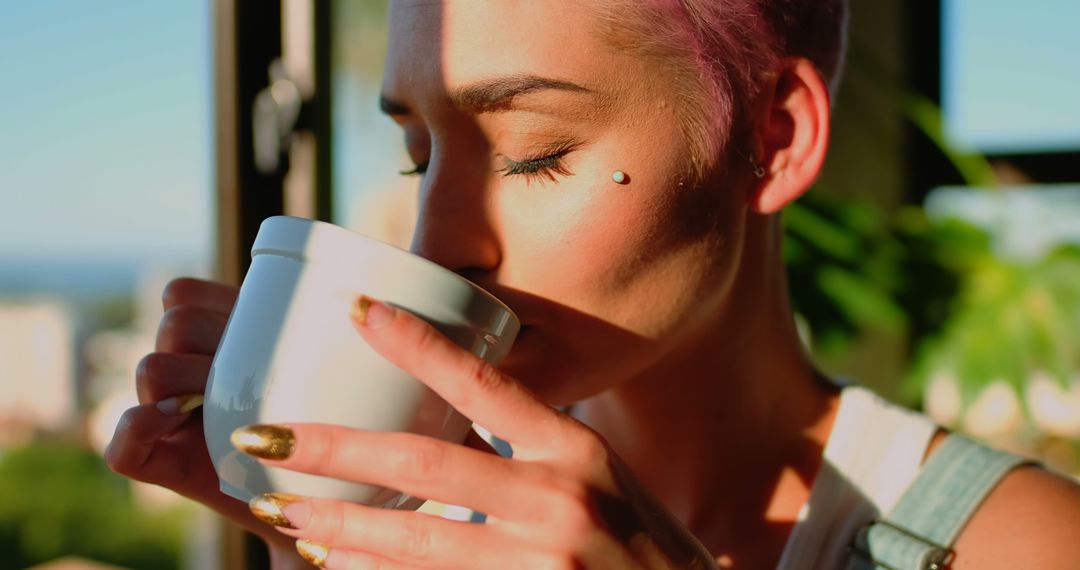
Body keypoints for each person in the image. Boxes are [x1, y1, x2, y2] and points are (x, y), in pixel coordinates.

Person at [106, 1, 1080, 568]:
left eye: (531, 155)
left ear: (770, 139)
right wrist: (299, 535)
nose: (439, 240)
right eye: (419, 154)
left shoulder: (1023, 547)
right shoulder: (424, 526)